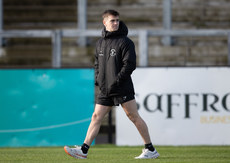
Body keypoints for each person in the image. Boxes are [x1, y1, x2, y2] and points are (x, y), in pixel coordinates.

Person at [64, 9, 160, 159]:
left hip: (122, 87)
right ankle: (84, 150)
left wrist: (116, 82)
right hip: (105, 89)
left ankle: (150, 149)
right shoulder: (100, 43)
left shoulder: (125, 42)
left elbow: (130, 65)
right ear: (104, 22)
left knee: (133, 116)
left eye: (117, 20)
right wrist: (98, 79)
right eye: (112, 21)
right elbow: (97, 64)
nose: (115, 23)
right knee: (96, 116)